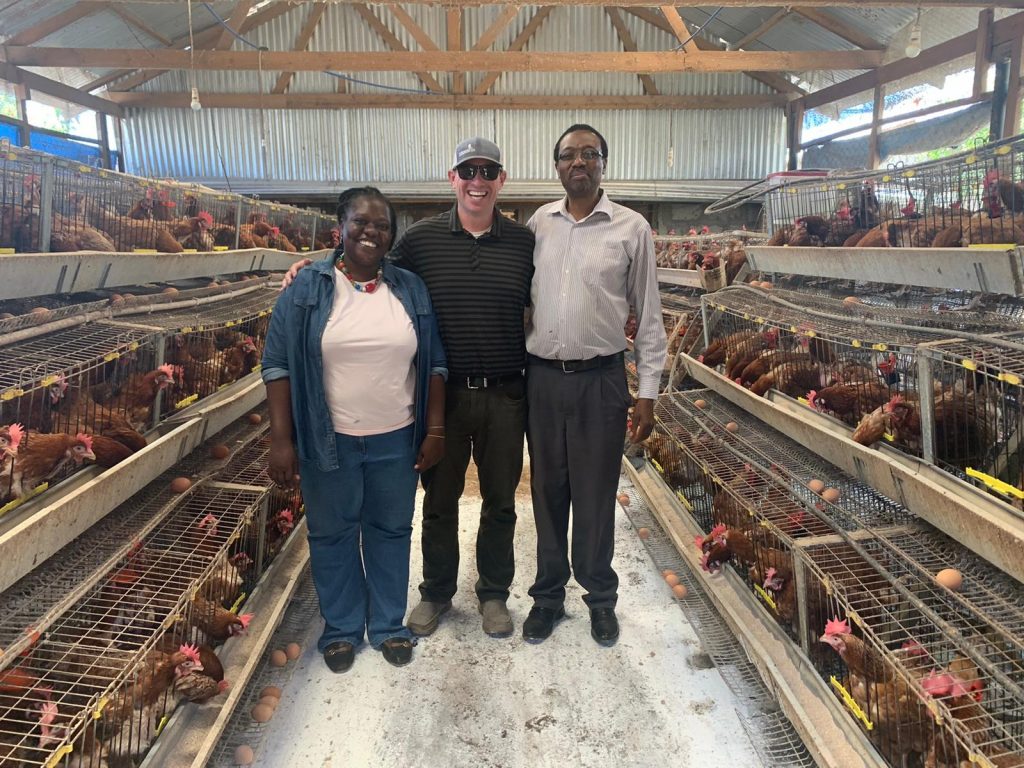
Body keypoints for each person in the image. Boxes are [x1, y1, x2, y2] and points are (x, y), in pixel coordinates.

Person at [282, 139, 535, 640]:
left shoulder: (525, 243)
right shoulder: (419, 240)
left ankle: (493, 594)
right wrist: (309, 267)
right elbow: (361, 258)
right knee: (439, 499)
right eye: (468, 171)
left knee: (501, 500)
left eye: (488, 171)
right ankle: (437, 591)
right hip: (444, 393)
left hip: (507, 393)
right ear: (453, 177)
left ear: (502, 179)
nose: (477, 180)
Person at [262, 186, 447, 672]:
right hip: (329, 441)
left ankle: (388, 625)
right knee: (332, 534)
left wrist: (434, 430)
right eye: (361, 222)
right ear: (340, 228)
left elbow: (435, 365)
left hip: (397, 437)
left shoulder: (409, 288)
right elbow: (277, 365)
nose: (371, 232)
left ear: (392, 234)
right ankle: (342, 628)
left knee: (390, 531)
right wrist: (282, 439)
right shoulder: (305, 289)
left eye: (382, 225)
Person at [521, 124, 667, 647]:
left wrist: (647, 393)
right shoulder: (539, 223)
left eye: (588, 154)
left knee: (597, 494)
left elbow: (649, 317)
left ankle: (600, 599)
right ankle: (548, 597)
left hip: (602, 380)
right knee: (547, 492)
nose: (577, 162)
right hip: (541, 379)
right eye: (567, 155)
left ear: (604, 162)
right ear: (556, 166)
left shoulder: (632, 229)